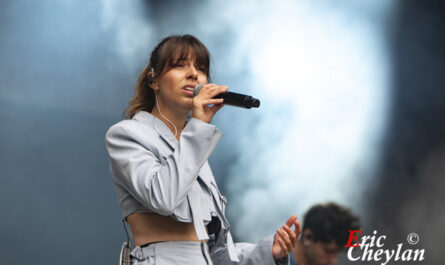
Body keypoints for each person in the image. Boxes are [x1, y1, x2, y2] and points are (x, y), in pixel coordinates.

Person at [105, 34, 301, 265]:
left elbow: (216, 253)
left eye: (200, 68)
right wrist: (198, 126)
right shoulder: (127, 134)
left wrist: (268, 251)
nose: (193, 74)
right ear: (153, 80)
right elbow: (163, 198)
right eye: (180, 65)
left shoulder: (193, 145)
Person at [290, 202, 360, 265]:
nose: (333, 261)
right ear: (308, 237)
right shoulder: (280, 258)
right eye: (329, 251)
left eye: (337, 252)